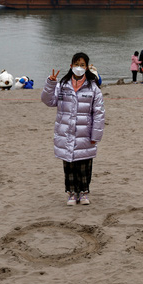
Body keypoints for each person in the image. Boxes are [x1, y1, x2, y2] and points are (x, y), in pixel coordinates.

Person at [41, 52, 105, 206]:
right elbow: (48, 101)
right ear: (71, 66)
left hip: (85, 133)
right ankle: (71, 193)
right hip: (66, 133)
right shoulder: (62, 85)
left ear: (87, 67)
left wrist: (95, 135)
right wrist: (51, 83)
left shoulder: (93, 88)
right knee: (69, 165)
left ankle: (83, 193)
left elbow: (99, 113)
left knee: (84, 165)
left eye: (82, 65)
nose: (79, 68)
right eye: (76, 64)